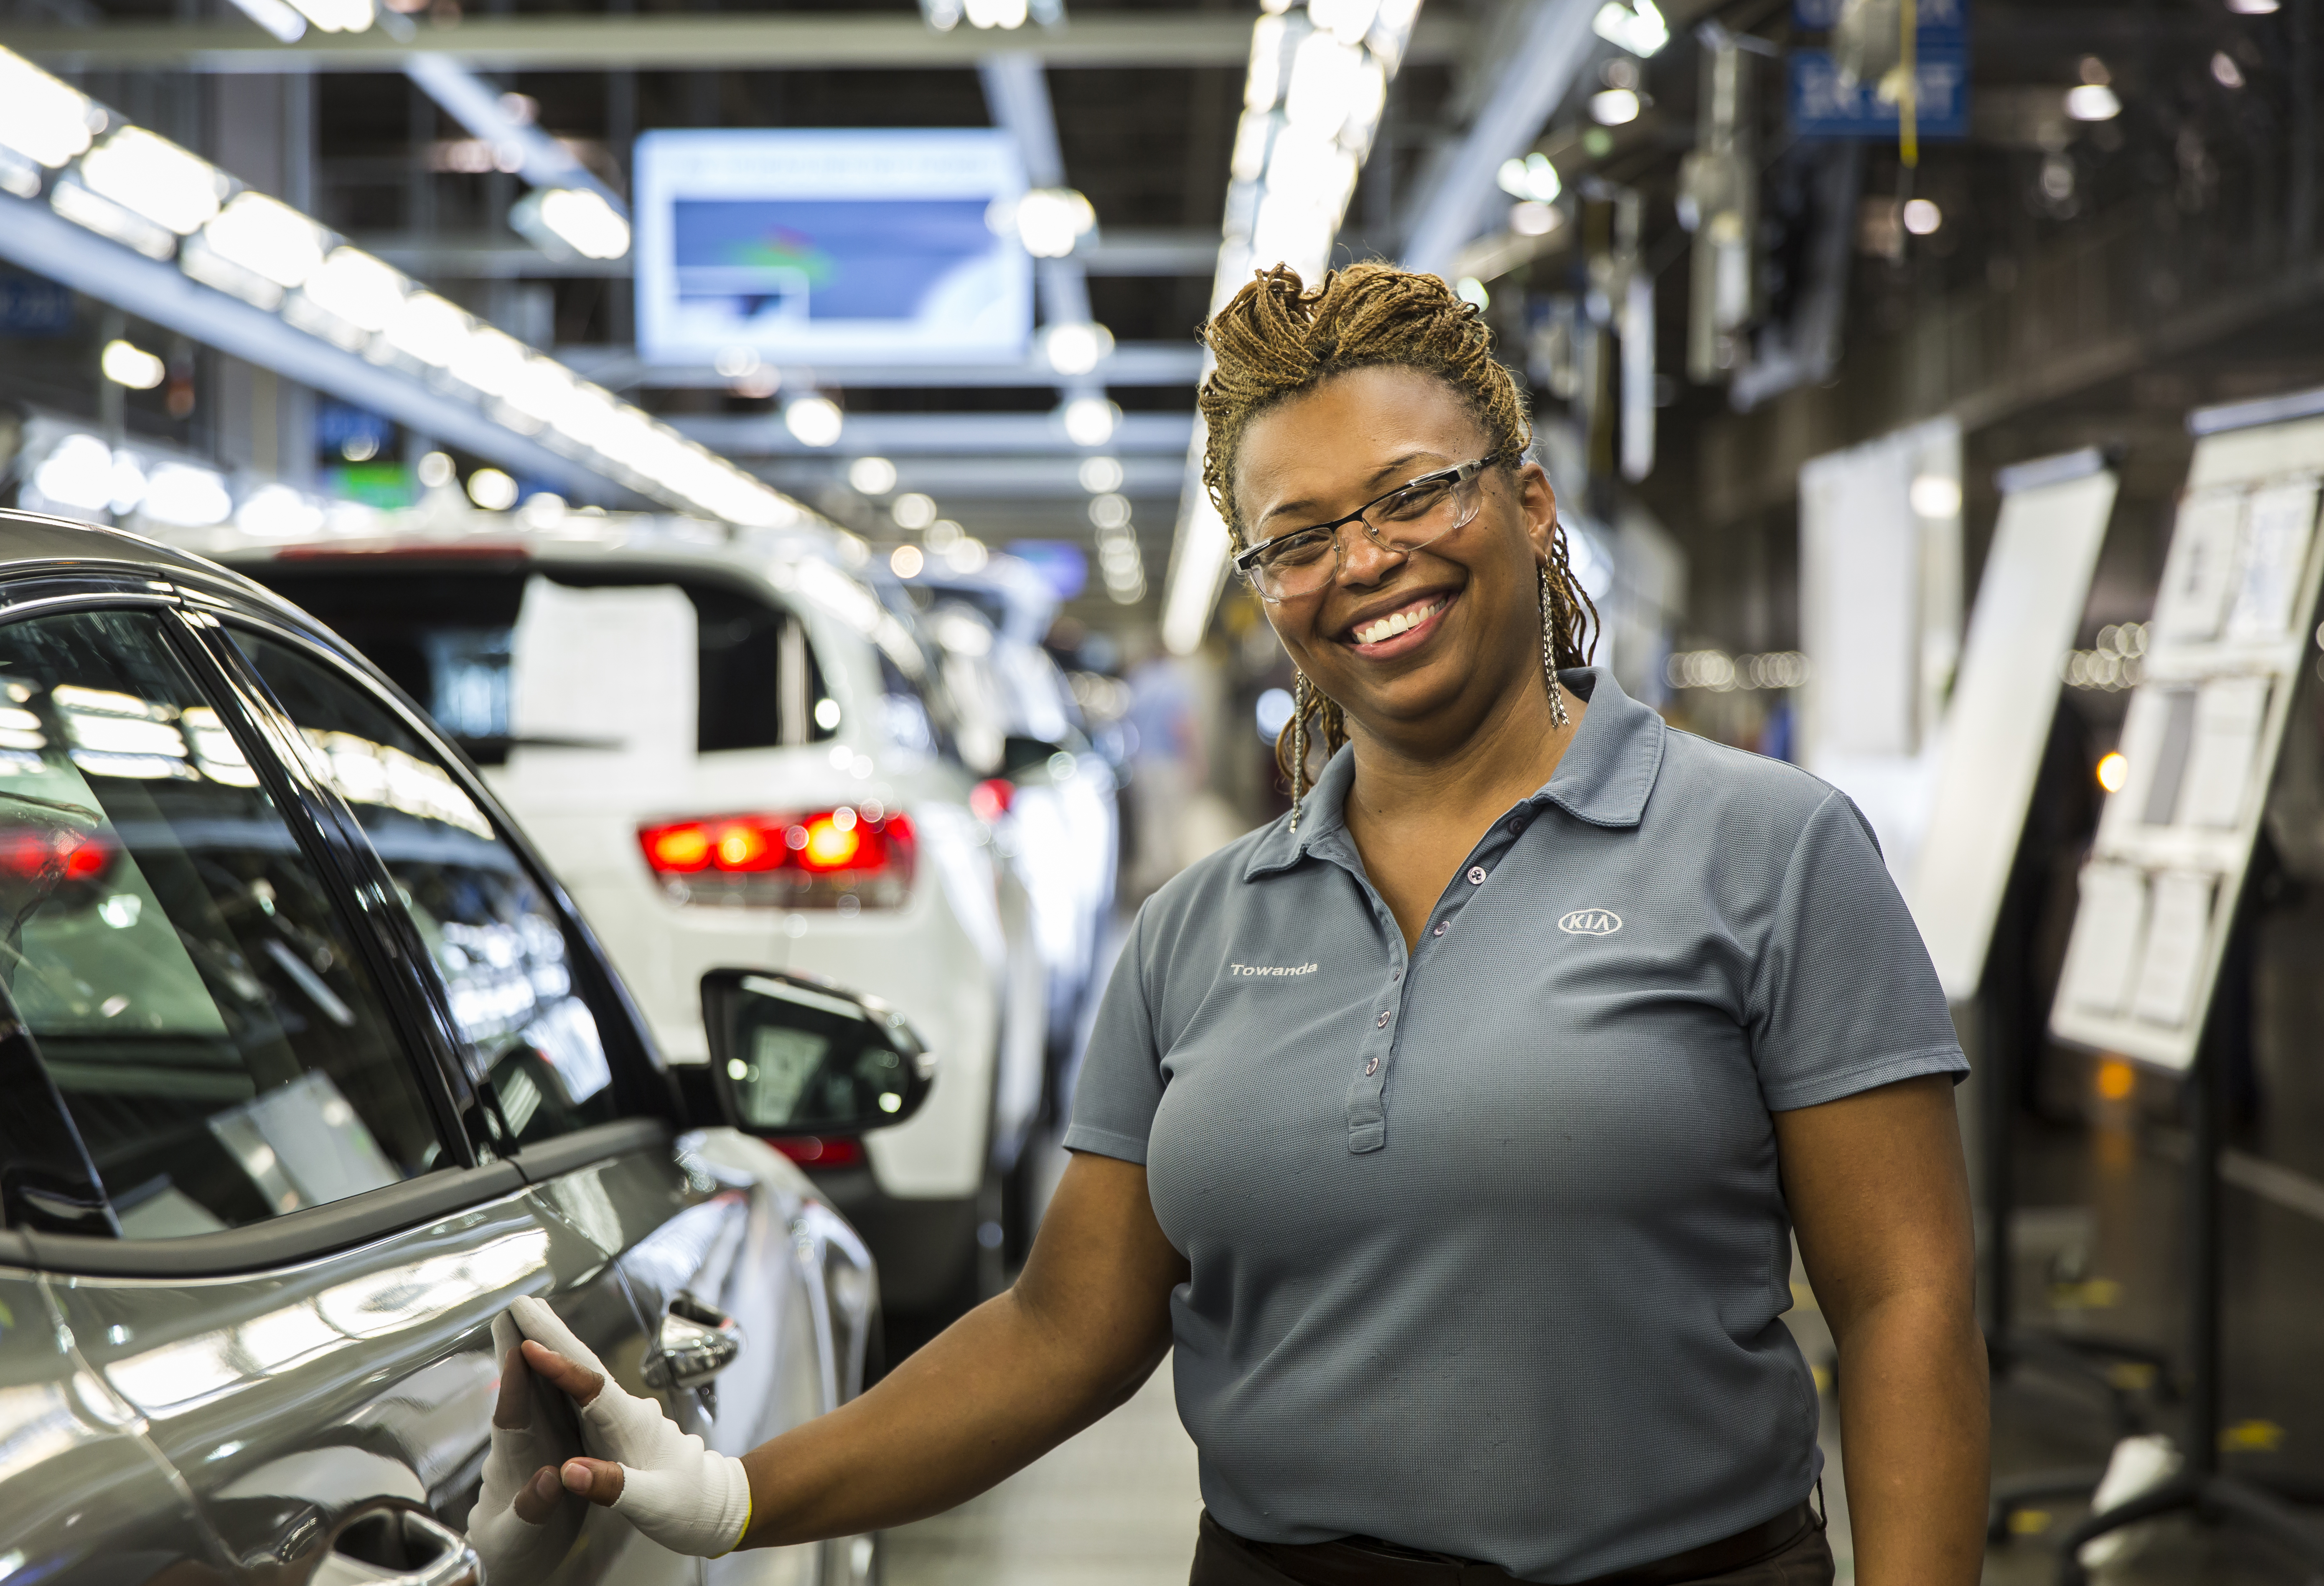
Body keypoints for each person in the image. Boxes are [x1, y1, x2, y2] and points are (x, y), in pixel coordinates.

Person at [497, 262, 1991, 1586]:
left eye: (1415, 492)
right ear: (1268, 590)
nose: (1367, 559)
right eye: (1301, 537)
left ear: (1530, 508)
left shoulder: (1765, 848)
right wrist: (737, 1489)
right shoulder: (1199, 927)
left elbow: (1904, 1295)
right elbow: (1061, 1327)